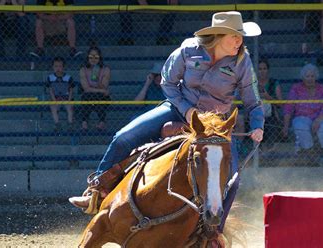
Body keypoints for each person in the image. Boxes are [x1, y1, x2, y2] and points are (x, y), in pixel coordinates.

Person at [69, 11, 265, 240]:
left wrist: (258, 124)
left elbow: (253, 100)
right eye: (235, 36)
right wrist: (187, 110)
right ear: (220, 35)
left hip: (213, 126)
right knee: (124, 136)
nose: (239, 41)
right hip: (177, 108)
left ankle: (214, 232)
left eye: (241, 36)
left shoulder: (243, 61)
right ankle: (96, 190)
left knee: (232, 180)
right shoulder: (188, 50)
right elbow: (168, 83)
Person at [282, 63, 323, 165]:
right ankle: (309, 153)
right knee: (299, 125)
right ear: (303, 77)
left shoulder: (322, 89)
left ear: (316, 77)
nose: (310, 79)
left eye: (312, 76)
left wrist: (318, 120)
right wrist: (285, 126)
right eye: (307, 76)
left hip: (321, 117)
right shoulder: (296, 89)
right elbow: (288, 107)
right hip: (302, 117)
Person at [78, 46, 111, 131]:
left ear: (99, 58)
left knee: (99, 97)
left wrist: (96, 79)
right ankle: (84, 123)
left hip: (100, 96)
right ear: (87, 57)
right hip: (88, 95)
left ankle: (101, 123)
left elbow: (104, 85)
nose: (93, 59)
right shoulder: (83, 69)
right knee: (86, 97)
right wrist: (101, 90)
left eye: (96, 57)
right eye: (91, 57)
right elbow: (86, 89)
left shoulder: (106, 69)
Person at [257, 59, 284, 151]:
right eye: (260, 69)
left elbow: (280, 104)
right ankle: (259, 151)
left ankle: (269, 151)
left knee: (271, 124)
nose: (262, 71)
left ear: (268, 70)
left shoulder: (274, 83)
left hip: (271, 114)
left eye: (264, 68)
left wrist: (268, 97)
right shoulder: (253, 83)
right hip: (256, 114)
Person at [46, 56, 75, 131]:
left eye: (60, 66)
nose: (58, 68)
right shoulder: (50, 77)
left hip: (66, 97)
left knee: (70, 107)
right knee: (53, 107)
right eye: (56, 66)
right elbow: (50, 89)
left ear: (63, 67)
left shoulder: (68, 77)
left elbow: (71, 89)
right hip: (56, 97)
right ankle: (57, 124)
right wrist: (54, 99)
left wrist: (69, 100)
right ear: (53, 67)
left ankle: (70, 124)